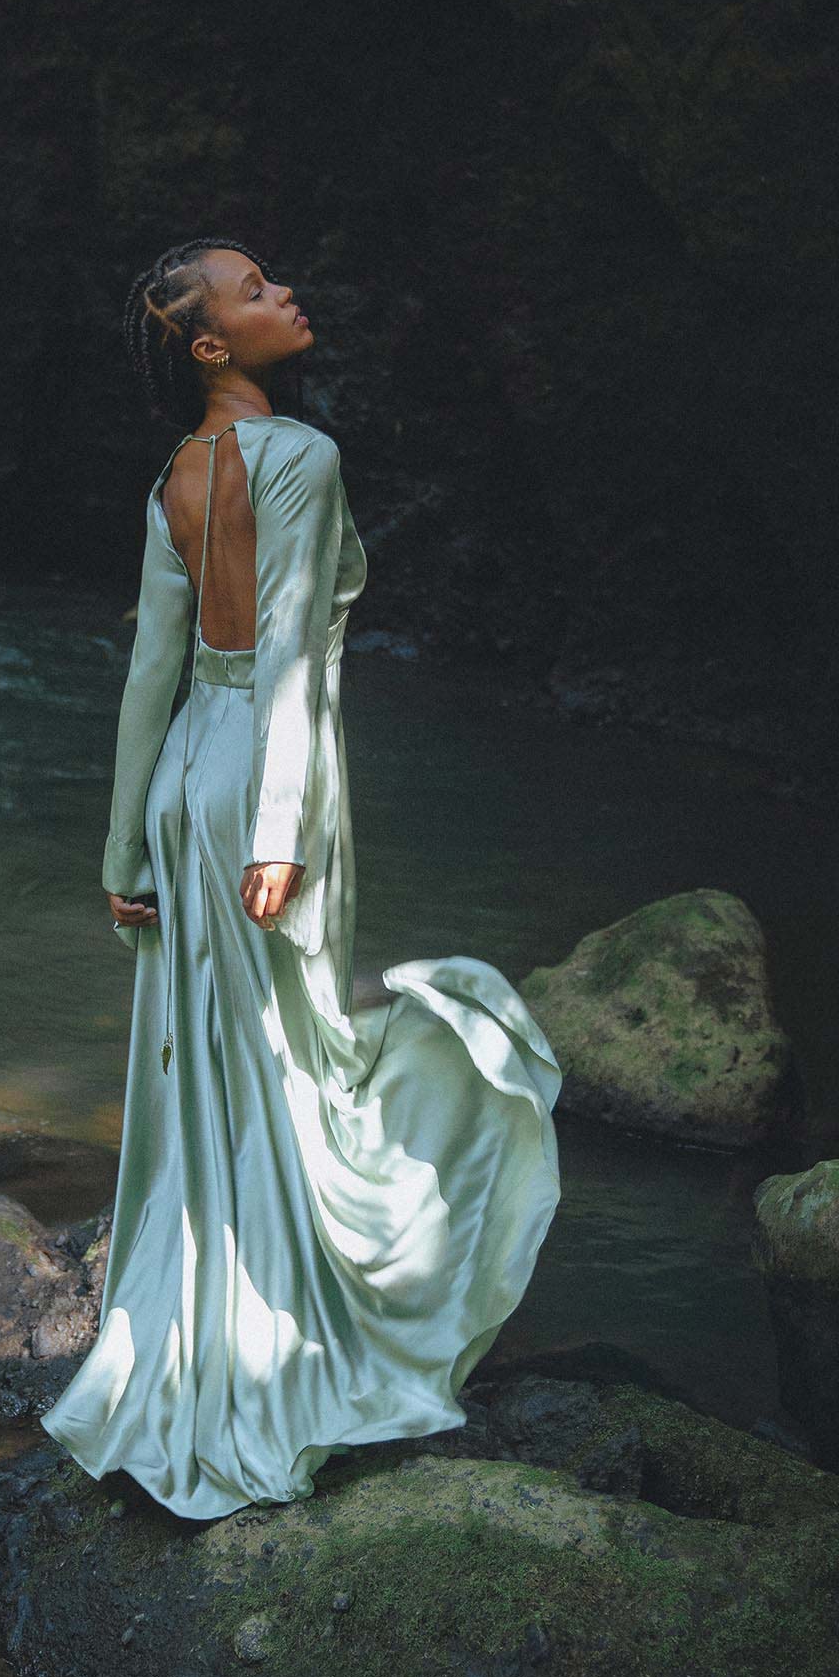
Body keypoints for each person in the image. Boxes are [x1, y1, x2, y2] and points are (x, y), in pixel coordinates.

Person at [39, 237, 562, 1520]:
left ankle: (207, 1331)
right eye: (256, 290)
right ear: (214, 346)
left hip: (184, 786)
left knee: (225, 1061)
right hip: (269, 780)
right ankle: (294, 1343)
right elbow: (283, 653)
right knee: (289, 1049)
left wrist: (121, 848)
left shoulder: (175, 476)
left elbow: (151, 675)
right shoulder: (304, 458)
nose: (286, 295)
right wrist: (279, 827)